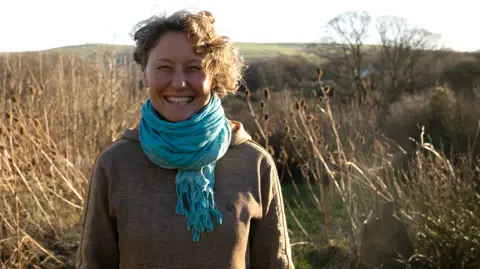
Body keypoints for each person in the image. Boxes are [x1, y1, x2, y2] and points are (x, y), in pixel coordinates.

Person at [75, 9, 294, 269]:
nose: (178, 83)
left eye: (194, 69)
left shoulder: (255, 163)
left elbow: (275, 264)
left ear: (215, 76)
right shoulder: (115, 163)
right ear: (145, 73)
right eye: (164, 68)